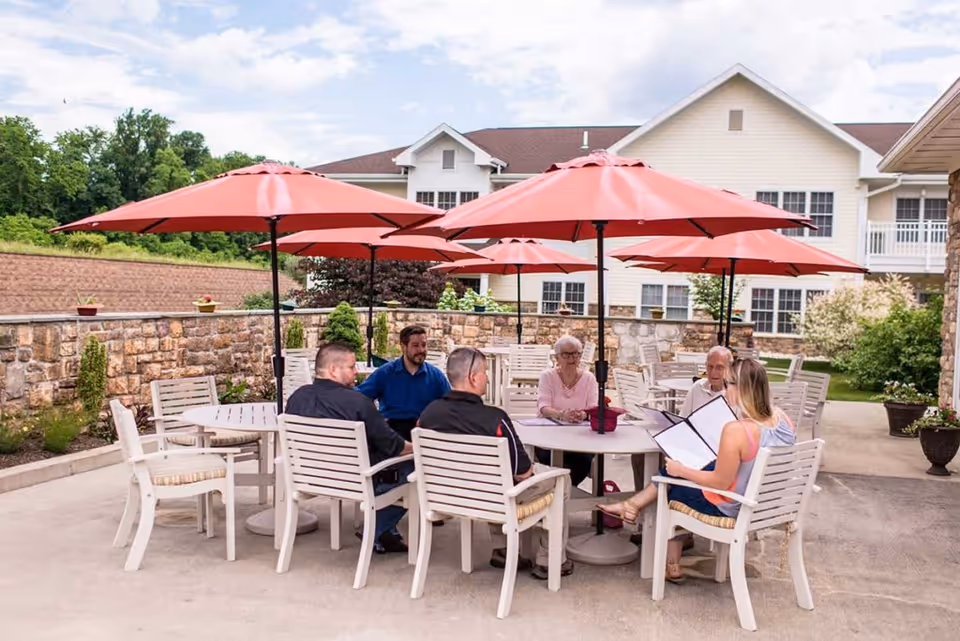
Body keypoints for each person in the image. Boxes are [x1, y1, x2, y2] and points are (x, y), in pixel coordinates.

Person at [599, 358, 795, 582]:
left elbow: (720, 483)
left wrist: (681, 470)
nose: (724, 387)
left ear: (742, 388)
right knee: (685, 469)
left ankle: (668, 560)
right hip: (765, 503)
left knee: (671, 480)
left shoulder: (737, 430)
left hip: (733, 508)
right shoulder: (783, 419)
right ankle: (632, 506)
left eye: (728, 383)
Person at [418, 347, 574, 579]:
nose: (487, 378)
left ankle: (501, 549)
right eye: (484, 372)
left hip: (452, 496)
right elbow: (523, 473)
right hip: (495, 499)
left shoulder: (429, 414)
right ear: (473, 377)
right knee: (561, 478)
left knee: (492, 476)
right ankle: (549, 560)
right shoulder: (495, 419)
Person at [286, 342, 414, 554]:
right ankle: (375, 530)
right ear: (334, 370)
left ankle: (386, 533)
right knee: (415, 468)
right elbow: (395, 447)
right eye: (352, 367)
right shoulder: (358, 402)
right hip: (357, 481)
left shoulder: (296, 398)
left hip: (312, 477)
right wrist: (419, 447)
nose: (357, 372)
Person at [357, 325, 450, 441]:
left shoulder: (436, 376)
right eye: (415, 345)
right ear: (403, 347)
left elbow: (451, 405)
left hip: (424, 433)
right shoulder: (385, 373)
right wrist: (374, 419)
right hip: (391, 432)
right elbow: (359, 397)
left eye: (424, 345)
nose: (421, 350)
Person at [536, 335, 598, 487]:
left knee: (583, 459)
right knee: (551, 457)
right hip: (549, 437)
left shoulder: (589, 378)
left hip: (579, 438)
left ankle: (565, 491)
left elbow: (593, 407)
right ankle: (560, 492)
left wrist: (582, 414)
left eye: (575, 353)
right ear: (557, 357)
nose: (571, 358)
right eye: (566, 354)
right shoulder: (548, 376)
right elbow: (543, 407)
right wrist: (562, 415)